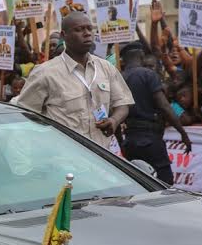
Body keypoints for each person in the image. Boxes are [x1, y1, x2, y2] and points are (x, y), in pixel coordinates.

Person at [14, 12, 134, 147]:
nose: (87, 33)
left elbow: (122, 104)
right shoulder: (45, 73)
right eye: (79, 29)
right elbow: (26, 115)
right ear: (63, 36)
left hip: (102, 157)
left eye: (89, 28)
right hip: (65, 160)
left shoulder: (106, 68)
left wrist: (114, 120)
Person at [119, 42, 191, 185]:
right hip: (150, 139)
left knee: (139, 183)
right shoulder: (148, 75)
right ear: (141, 56)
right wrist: (183, 133)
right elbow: (164, 106)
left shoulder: (117, 77)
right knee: (164, 182)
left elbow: (114, 111)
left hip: (130, 140)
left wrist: (121, 143)